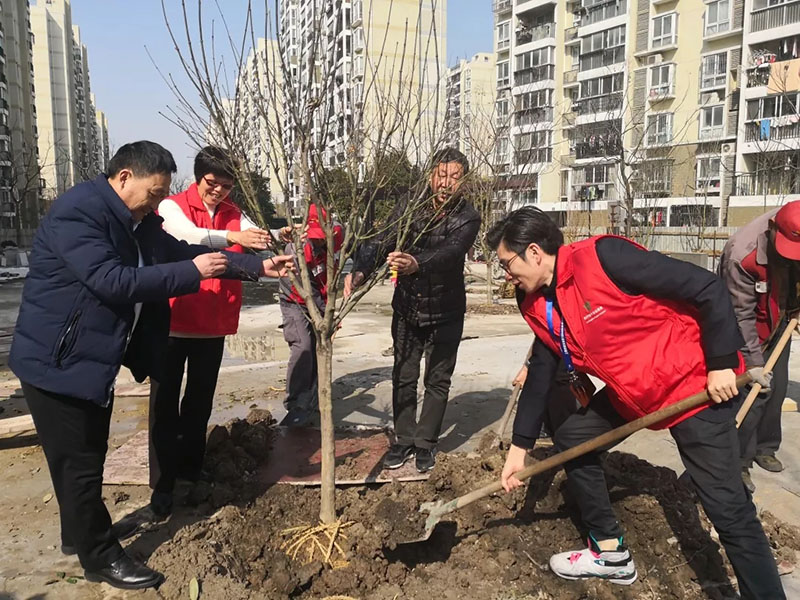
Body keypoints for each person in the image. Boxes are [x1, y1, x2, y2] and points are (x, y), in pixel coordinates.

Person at [8, 141, 292, 590]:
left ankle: (76, 535)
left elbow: (177, 251)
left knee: (81, 458)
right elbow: (112, 281)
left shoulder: (136, 219)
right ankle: (99, 556)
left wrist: (255, 266)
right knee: (80, 463)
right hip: (56, 361)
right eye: (154, 193)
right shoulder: (78, 213)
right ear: (124, 178)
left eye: (163, 194)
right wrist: (194, 273)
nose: (159, 203)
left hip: (86, 360)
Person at [488, 207, 783, 599]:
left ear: (536, 252)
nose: (506, 274)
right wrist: (519, 448)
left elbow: (706, 287)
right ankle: (610, 552)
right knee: (575, 438)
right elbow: (542, 369)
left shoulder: (603, 258)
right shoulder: (536, 304)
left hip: (691, 385)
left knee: (729, 511)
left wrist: (722, 363)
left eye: (507, 263)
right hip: (636, 393)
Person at [148, 146, 292, 517]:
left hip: (212, 324)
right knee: (163, 407)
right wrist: (234, 240)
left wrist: (276, 235)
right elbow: (187, 237)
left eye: (227, 186)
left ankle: (191, 471)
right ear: (199, 178)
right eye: (213, 183)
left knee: (199, 404)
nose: (219, 192)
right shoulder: (173, 206)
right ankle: (162, 485)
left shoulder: (233, 213)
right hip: (174, 322)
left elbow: (252, 236)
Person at [345, 148, 480, 473]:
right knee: (403, 376)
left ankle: (425, 444)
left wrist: (417, 263)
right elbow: (384, 239)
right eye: (441, 175)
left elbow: (451, 252)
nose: (446, 183)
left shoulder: (468, 216)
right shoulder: (410, 204)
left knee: (437, 379)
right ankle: (404, 440)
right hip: (407, 307)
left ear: (463, 181)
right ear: (431, 174)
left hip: (446, 310)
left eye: (454, 177)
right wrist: (361, 268)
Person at [718, 201, 800, 492]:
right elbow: (740, 317)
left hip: (782, 317)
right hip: (749, 327)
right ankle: (738, 462)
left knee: (777, 389)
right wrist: (753, 361)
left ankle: (766, 447)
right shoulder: (742, 254)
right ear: (774, 228)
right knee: (755, 392)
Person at [278, 204, 343, 427]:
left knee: (319, 347)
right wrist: (327, 317)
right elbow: (306, 291)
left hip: (322, 297)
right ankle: (295, 402)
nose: (317, 242)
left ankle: (313, 393)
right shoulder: (296, 250)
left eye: (321, 237)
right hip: (295, 299)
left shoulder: (337, 235)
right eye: (314, 237)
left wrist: (331, 312)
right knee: (303, 345)